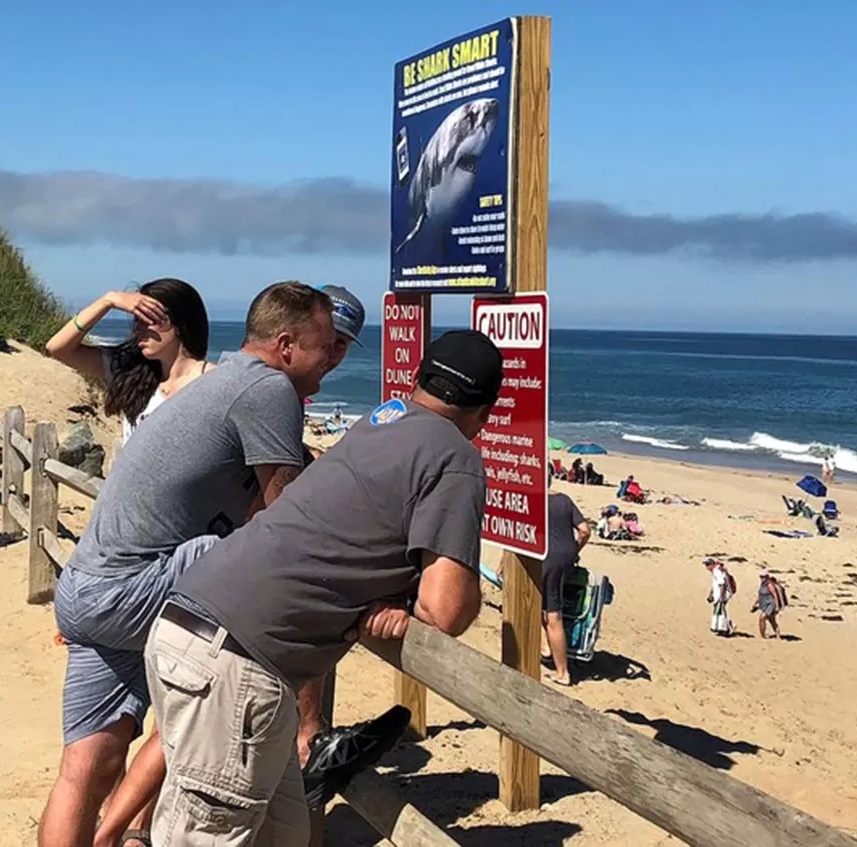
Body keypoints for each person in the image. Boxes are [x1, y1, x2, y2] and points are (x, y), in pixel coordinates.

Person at [142, 329, 496, 845]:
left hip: (191, 622)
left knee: (282, 833)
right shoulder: (456, 456)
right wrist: (412, 600)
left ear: (418, 381)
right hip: (239, 663)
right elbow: (446, 609)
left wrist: (393, 594)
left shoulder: (379, 423)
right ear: (484, 414)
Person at [38, 282, 345, 847]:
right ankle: (304, 736)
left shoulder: (226, 380)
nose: (333, 356)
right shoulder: (268, 389)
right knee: (227, 572)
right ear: (284, 346)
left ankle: (115, 830)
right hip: (126, 591)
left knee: (86, 769)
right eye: (324, 345)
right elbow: (284, 519)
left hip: (86, 587)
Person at [44, 280, 213, 451]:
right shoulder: (132, 370)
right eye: (137, 320)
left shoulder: (212, 381)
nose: (138, 329)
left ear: (180, 324)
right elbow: (57, 348)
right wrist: (107, 301)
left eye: (149, 319)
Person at [541, 474, 591, 686]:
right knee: (541, 604)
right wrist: (574, 549)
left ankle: (562, 672)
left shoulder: (534, 498)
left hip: (546, 557)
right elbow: (585, 530)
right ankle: (545, 648)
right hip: (565, 557)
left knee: (553, 614)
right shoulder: (564, 500)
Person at [753, 569, 789, 638]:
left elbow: (775, 595)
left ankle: (763, 637)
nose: (762, 578)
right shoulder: (762, 584)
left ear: (767, 576)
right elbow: (760, 595)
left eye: (763, 576)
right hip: (764, 604)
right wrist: (755, 603)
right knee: (772, 620)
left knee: (762, 618)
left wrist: (777, 606)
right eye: (761, 576)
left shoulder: (769, 585)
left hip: (771, 604)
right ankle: (777, 635)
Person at [705, 557, 736, 636]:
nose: (706, 566)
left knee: (720, 610)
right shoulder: (716, 571)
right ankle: (719, 627)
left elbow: (722, 584)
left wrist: (721, 597)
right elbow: (715, 584)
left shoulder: (717, 571)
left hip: (722, 594)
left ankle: (727, 628)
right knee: (718, 610)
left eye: (708, 564)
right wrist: (711, 594)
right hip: (718, 594)